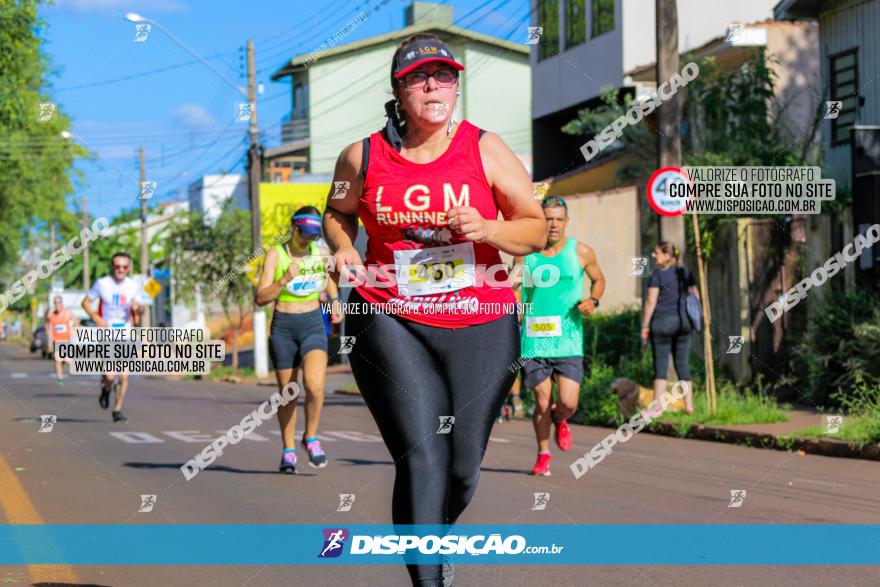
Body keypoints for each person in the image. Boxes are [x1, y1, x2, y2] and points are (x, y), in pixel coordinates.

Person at [322, 34, 545, 586]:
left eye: (444, 76)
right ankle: (428, 576)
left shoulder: (485, 149)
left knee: (463, 465)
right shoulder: (362, 155)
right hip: (389, 315)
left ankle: (432, 536)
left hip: (482, 318)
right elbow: (337, 210)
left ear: (456, 87)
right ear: (399, 89)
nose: (433, 86)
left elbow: (535, 227)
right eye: (420, 77)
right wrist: (344, 246)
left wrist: (491, 227)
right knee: (423, 455)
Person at [515, 195, 605, 476]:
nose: (553, 224)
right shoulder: (525, 253)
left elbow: (598, 279)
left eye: (558, 219)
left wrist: (593, 300)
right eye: (548, 219)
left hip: (568, 339)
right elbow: (513, 285)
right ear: (540, 220)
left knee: (568, 402)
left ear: (566, 221)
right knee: (542, 400)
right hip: (533, 338)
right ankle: (543, 453)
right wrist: (515, 304)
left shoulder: (582, 252)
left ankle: (560, 418)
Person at [256, 206, 342, 473]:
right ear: (294, 229)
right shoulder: (276, 255)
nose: (309, 240)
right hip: (284, 327)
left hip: (313, 324)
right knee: (288, 394)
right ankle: (288, 449)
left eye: (314, 235)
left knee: (315, 387)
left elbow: (328, 279)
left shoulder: (320, 253)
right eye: (304, 234)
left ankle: (311, 438)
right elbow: (260, 298)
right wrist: (284, 279)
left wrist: (336, 300)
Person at [82, 252, 142, 422]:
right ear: (112, 266)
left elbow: (140, 309)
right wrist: (96, 318)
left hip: (125, 332)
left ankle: (117, 410)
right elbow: (85, 302)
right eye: (117, 266)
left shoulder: (133, 285)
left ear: (129, 268)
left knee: (124, 375)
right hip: (107, 333)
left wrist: (137, 309)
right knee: (109, 376)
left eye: (124, 267)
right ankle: (106, 390)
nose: (120, 270)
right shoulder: (102, 284)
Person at [640, 241, 697, 414]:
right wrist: (700, 319)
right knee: (683, 365)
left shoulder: (657, 275)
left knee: (661, 365)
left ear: (666, 256)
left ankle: (656, 406)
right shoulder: (685, 273)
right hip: (684, 323)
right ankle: (689, 406)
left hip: (662, 323)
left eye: (656, 252)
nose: (653, 255)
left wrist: (644, 326)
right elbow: (696, 297)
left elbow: (651, 302)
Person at [45, 296, 76, 386]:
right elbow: (47, 322)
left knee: (64, 359)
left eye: (58, 302)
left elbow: (75, 320)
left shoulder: (67, 313)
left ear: (62, 303)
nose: (57, 304)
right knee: (58, 360)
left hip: (66, 339)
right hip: (56, 340)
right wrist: (48, 330)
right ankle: (60, 379)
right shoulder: (51, 315)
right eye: (55, 302)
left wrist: (73, 329)